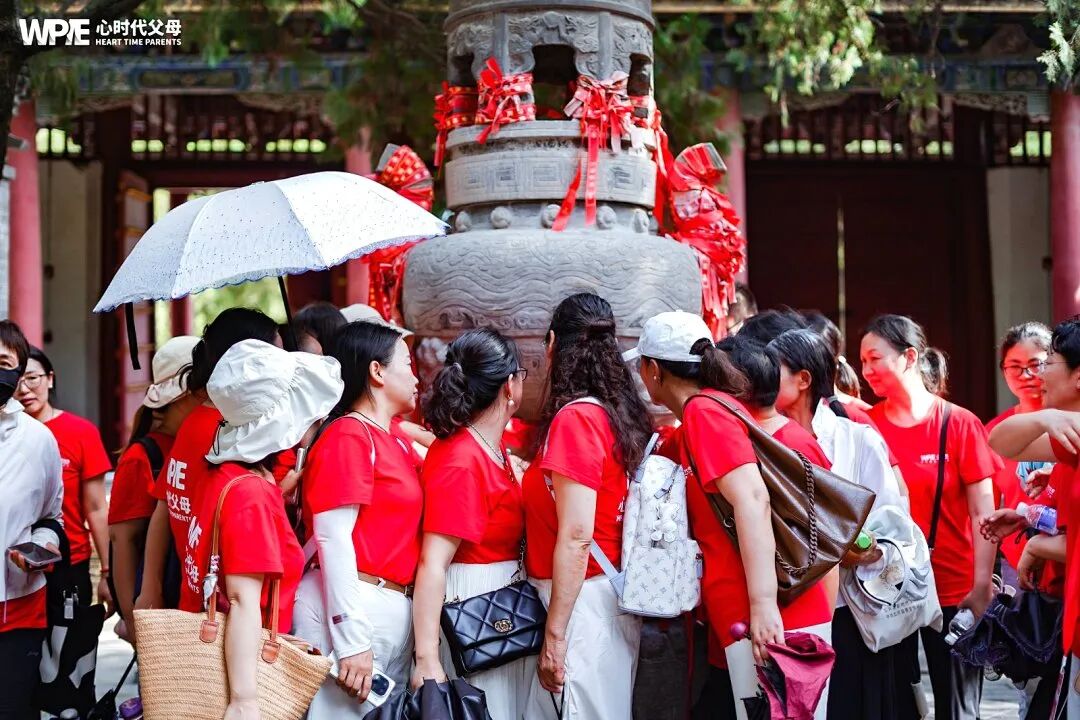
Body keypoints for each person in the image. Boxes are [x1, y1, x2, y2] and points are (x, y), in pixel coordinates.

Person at [635, 318, 830, 720]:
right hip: (751, 615)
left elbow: (752, 497)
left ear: (654, 371)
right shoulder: (700, 414)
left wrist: (762, 606)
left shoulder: (705, 412)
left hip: (767, 616)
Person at [180, 339, 340, 720]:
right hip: (237, 677)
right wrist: (244, 700)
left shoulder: (225, 474)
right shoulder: (251, 493)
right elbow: (241, 601)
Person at [860, 314, 1000, 720]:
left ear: (908, 357)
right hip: (889, 589)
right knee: (897, 704)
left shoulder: (958, 423)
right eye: (862, 361)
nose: (867, 371)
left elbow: (983, 512)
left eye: (875, 359)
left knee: (958, 708)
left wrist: (981, 584)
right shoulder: (866, 425)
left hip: (955, 586)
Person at [520, 293, 651, 720]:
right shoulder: (614, 412)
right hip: (601, 593)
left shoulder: (575, 419)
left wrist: (555, 635)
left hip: (579, 601)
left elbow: (577, 536)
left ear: (554, 343)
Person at [769, 328, 908, 720]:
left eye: (773, 369)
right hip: (789, 608)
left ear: (803, 379)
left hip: (853, 611)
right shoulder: (766, 438)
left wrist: (850, 546)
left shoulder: (857, 439)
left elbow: (890, 527)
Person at [293, 321, 423, 717]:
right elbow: (332, 537)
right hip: (354, 608)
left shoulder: (394, 437)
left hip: (391, 608)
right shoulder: (349, 436)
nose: (416, 377)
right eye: (407, 363)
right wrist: (350, 639)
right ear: (376, 371)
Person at [411, 328, 530, 719]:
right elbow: (433, 561)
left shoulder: (488, 448)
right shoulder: (462, 458)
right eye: (521, 374)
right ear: (508, 387)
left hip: (499, 597)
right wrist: (426, 657)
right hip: (475, 602)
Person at [135, 308, 280, 614]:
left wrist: (151, 586)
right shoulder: (224, 431)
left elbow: (165, 506)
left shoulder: (198, 420)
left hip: (202, 597)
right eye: (275, 356)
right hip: (227, 605)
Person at [985, 318, 1080, 719]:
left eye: (1048, 362)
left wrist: (1038, 544)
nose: (1038, 374)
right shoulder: (1071, 432)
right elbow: (1001, 441)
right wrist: (1045, 419)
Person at [107, 335, 201, 641]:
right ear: (180, 396)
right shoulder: (142, 456)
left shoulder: (197, 441)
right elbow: (124, 541)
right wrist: (134, 619)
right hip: (160, 606)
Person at [16, 347, 113, 614]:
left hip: (69, 562)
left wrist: (107, 572)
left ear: (50, 378)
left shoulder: (81, 433)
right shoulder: (7, 437)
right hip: (13, 565)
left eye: (33, 378)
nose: (24, 389)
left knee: (67, 651)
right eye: (17, 379)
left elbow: (95, 509)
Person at [0, 320, 63, 719]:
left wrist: (42, 544)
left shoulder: (37, 439)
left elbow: (51, 516)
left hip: (17, 608)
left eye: (3, 361)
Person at [985, 322, 1052, 589]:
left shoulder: (1072, 421)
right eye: (1014, 366)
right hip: (1016, 565)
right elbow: (986, 509)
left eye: (1036, 364)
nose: (1025, 374)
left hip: (1067, 555)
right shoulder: (995, 432)